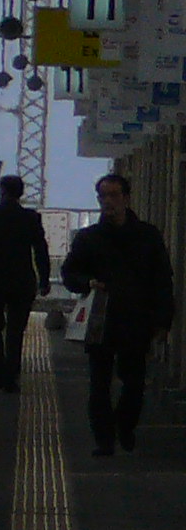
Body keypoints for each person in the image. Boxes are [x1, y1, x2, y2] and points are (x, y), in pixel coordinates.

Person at [59, 171, 176, 454]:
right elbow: (70, 272)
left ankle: (125, 425)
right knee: (99, 383)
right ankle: (104, 439)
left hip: (137, 320)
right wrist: (87, 283)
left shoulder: (147, 236)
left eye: (113, 195)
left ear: (126, 198)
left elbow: (162, 279)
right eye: (103, 196)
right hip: (101, 320)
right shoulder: (89, 238)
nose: (107, 202)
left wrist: (163, 320)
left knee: (134, 382)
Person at [0, 175, 51, 392]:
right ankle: (11, 376)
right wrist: (44, 279)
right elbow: (40, 250)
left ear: (2, 191)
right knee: (16, 330)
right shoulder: (30, 218)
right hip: (22, 280)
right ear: (20, 193)